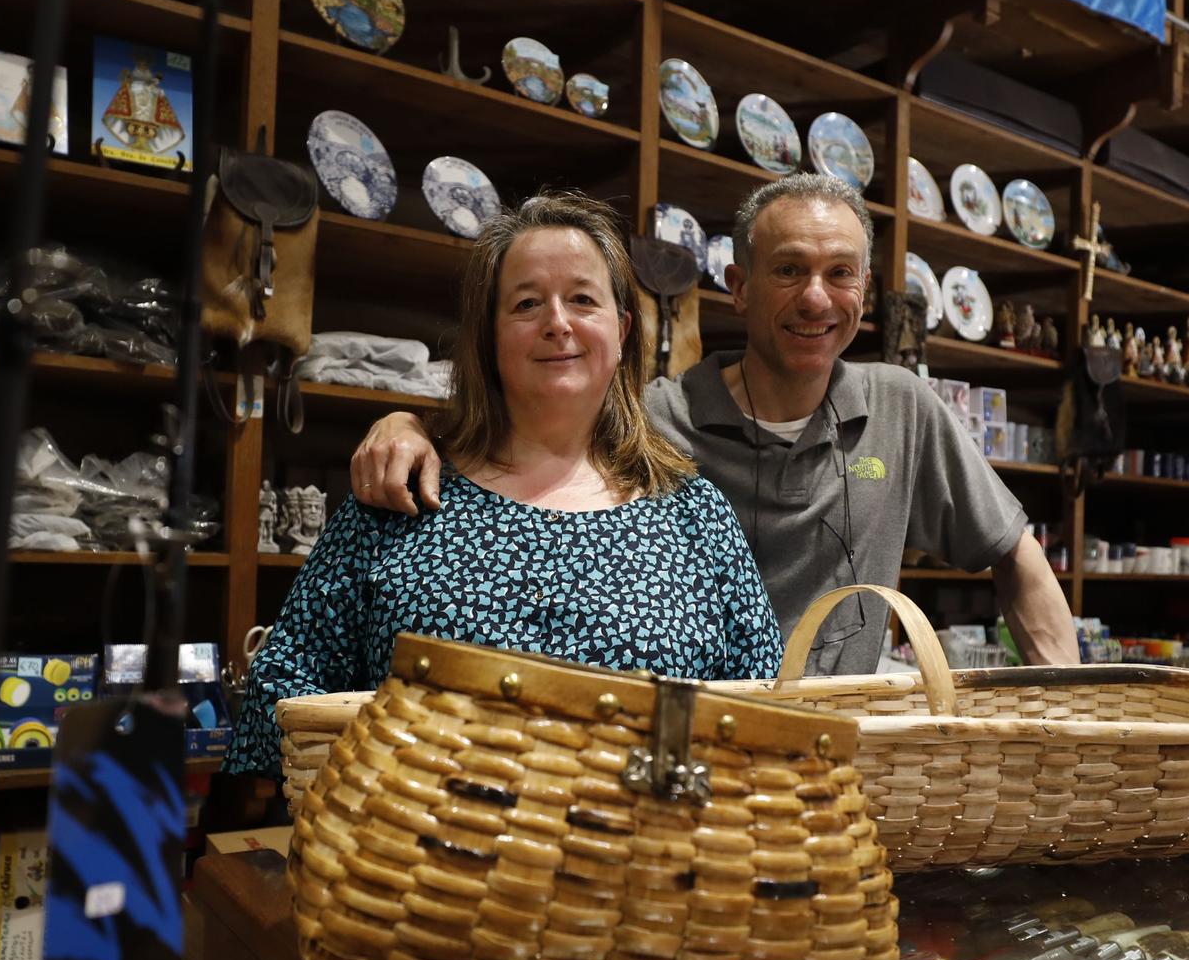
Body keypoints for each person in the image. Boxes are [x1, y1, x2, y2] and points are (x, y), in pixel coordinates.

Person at [354, 174, 1080, 674]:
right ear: (737, 287)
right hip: (703, 752)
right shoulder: (660, 419)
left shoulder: (904, 407)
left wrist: (1069, 718)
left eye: (841, 274)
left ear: (867, 291)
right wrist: (407, 422)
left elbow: (1015, 553)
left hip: (850, 749)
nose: (817, 299)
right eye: (790, 270)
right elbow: (526, 430)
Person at [224, 191, 784, 781]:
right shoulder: (404, 494)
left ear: (622, 332)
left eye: (583, 300)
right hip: (422, 861)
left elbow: (765, 713)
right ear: (490, 337)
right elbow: (281, 688)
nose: (557, 323)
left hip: (649, 858)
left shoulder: (695, 513)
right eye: (526, 304)